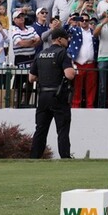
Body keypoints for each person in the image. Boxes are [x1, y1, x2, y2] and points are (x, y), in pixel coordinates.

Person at [29, 28, 75, 159]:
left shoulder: (41, 54)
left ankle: (34, 157)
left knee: (41, 129)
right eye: (66, 38)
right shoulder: (62, 53)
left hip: (43, 96)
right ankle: (65, 157)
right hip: (58, 96)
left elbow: (31, 77)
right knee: (62, 129)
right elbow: (70, 75)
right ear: (59, 39)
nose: (68, 40)